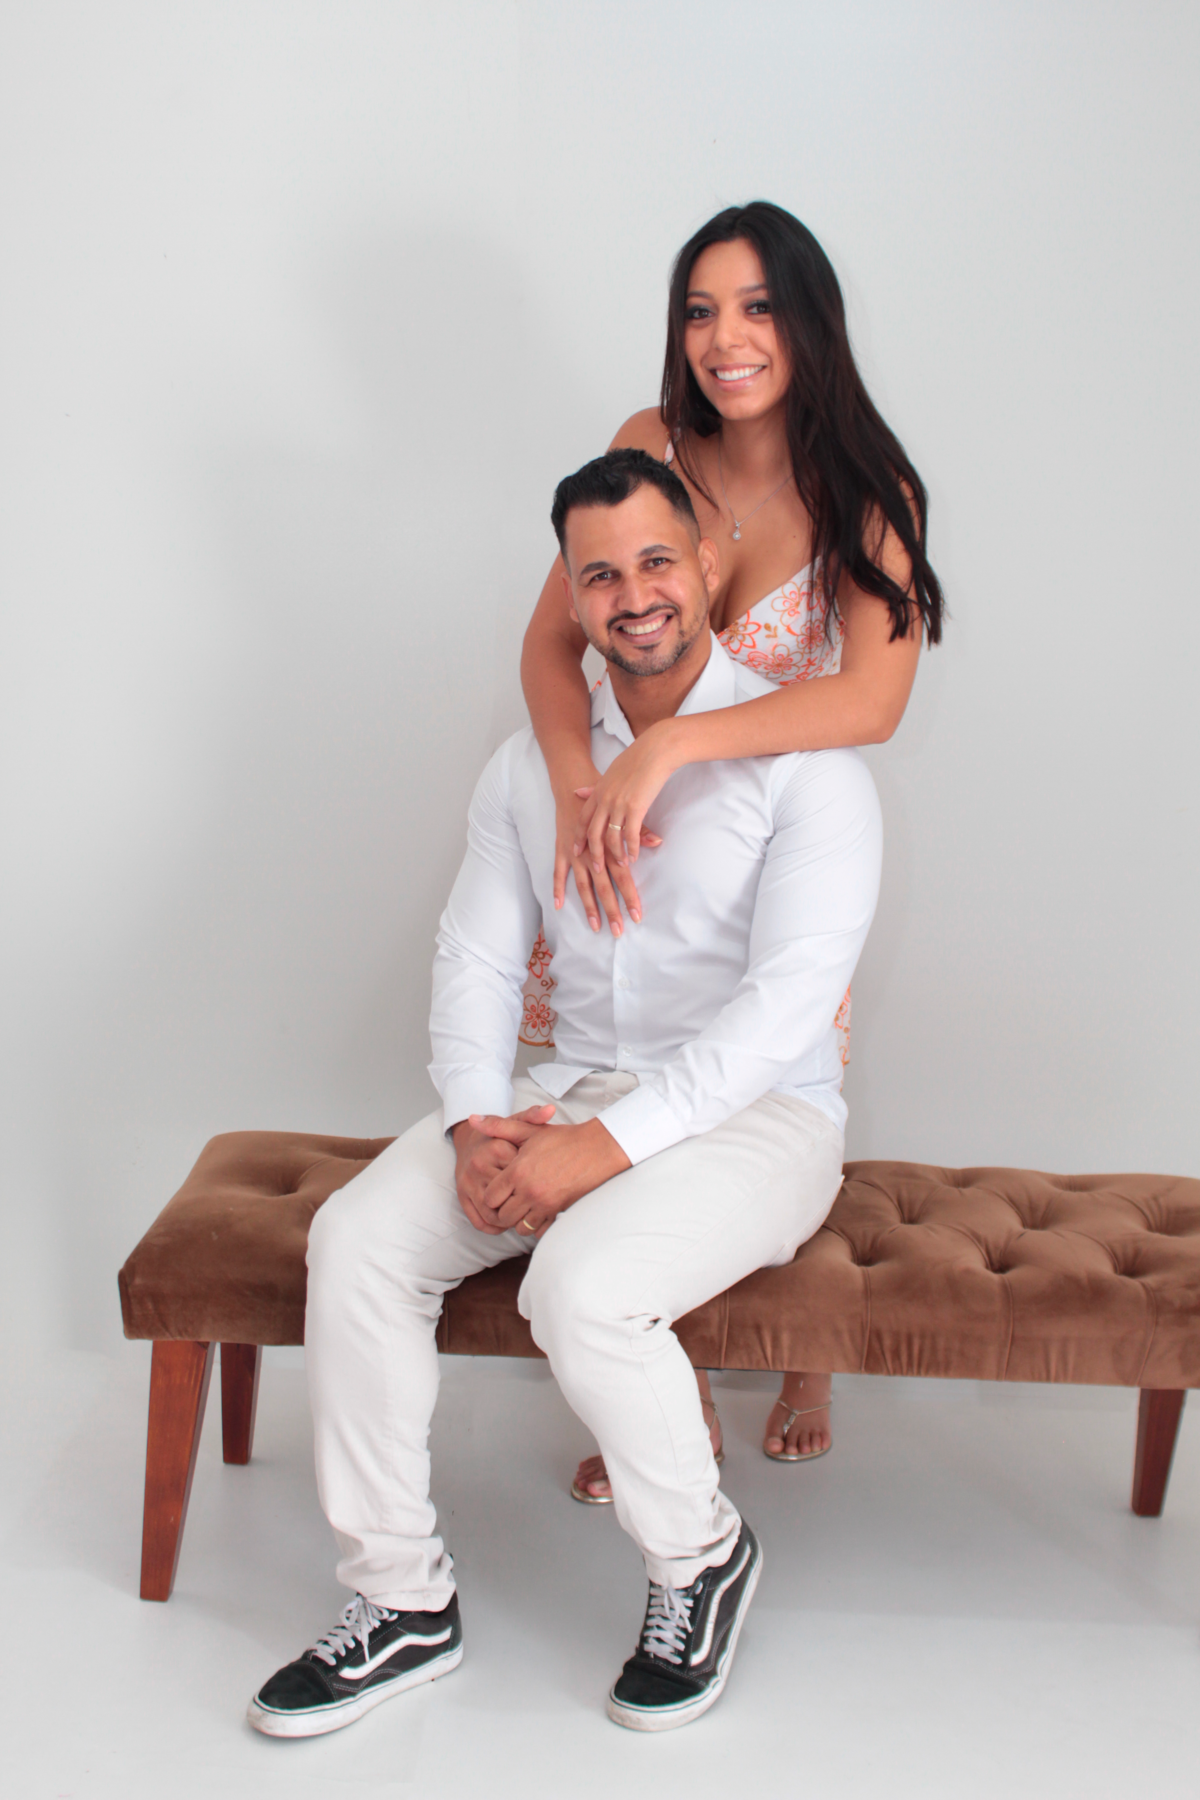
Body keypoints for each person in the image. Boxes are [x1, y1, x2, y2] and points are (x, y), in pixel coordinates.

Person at [247, 449, 882, 1739]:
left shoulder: (808, 766)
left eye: (657, 561)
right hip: (567, 1084)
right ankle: (400, 1598)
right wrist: (478, 1117)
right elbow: (478, 958)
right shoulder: (531, 769)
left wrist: (603, 1148)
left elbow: (780, 1016)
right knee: (357, 1240)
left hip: (767, 1117)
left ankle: (701, 1559)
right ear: (574, 596)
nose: (634, 596)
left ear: (707, 564)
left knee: (584, 1289)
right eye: (601, 576)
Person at [519, 201, 943, 1493]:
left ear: (808, 320)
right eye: (700, 311)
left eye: (757, 307)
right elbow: (549, 643)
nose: (726, 338)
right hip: (625, 847)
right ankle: (668, 1397)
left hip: (766, 857)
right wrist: (585, 782)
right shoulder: (646, 443)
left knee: (753, 1100)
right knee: (613, 1097)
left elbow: (871, 702)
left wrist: (676, 748)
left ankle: (805, 1350)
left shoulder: (868, 486)